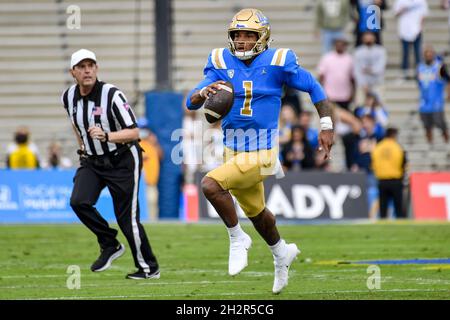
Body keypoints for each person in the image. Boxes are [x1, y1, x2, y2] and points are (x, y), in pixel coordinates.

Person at [185, 8, 334, 294]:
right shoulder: (219, 60)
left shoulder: (279, 61)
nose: (241, 40)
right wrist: (203, 93)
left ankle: (236, 238)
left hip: (264, 153)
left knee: (210, 185)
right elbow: (192, 103)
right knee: (258, 214)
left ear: (262, 37)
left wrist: (326, 126)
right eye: (237, 35)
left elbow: (313, 86)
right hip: (232, 151)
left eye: (248, 35)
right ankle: (281, 253)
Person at [61, 49, 159, 279]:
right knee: (78, 201)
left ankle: (148, 268)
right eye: (82, 66)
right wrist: (83, 148)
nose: (87, 70)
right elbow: (77, 125)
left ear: (97, 68)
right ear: (72, 72)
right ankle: (110, 244)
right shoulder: (68, 97)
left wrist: (107, 136)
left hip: (122, 158)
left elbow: (135, 132)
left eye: (91, 65)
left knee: (126, 218)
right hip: (93, 160)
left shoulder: (111, 95)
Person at [417, 45, 450, 144]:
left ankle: (447, 143)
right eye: (426, 53)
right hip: (424, 103)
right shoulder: (420, 67)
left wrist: (448, 94)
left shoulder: (439, 66)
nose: (428, 55)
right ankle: (430, 145)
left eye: (430, 53)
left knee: (441, 125)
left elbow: (448, 80)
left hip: (436, 103)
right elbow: (420, 83)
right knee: (427, 126)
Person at [371, 127, 408, 218]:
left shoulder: (378, 147)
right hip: (396, 180)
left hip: (382, 181)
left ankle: (383, 225)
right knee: (398, 207)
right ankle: (400, 224)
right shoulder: (397, 147)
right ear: (394, 135)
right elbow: (403, 164)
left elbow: (373, 163)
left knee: (383, 207)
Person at [393, 0, 429, 79]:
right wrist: (402, 10)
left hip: (417, 30)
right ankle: (404, 75)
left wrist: (420, 28)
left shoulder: (421, 1)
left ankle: (419, 75)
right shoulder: (400, 1)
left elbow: (423, 15)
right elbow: (396, 13)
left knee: (417, 54)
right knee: (405, 54)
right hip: (404, 30)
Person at [318, 36, 355, 110]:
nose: (340, 46)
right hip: (330, 95)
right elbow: (321, 76)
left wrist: (353, 94)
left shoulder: (349, 59)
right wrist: (322, 93)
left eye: (342, 44)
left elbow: (352, 79)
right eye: (338, 44)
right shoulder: (327, 58)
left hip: (345, 95)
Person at [353, 31, 386, 104]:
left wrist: (369, 70)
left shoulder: (380, 51)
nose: (369, 40)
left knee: (379, 105)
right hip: (363, 85)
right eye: (366, 38)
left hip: (377, 83)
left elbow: (380, 68)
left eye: (370, 38)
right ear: (363, 39)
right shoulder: (358, 51)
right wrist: (363, 84)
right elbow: (357, 70)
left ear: (374, 38)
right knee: (360, 105)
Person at [139, 125, 163, 221]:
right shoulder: (139, 144)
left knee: (153, 206)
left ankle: (153, 224)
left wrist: (155, 143)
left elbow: (161, 156)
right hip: (141, 185)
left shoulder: (152, 145)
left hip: (152, 184)